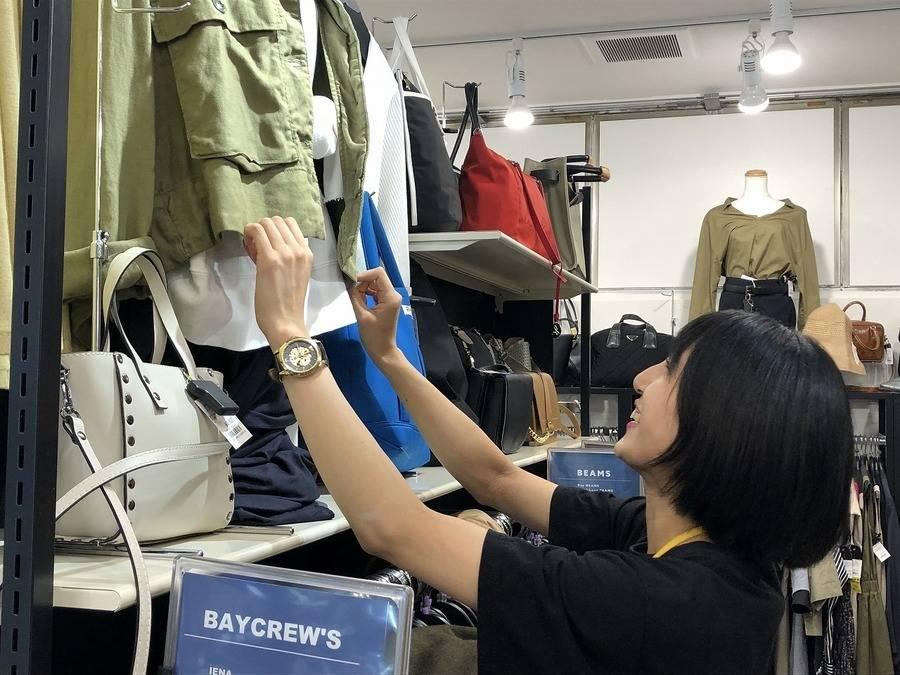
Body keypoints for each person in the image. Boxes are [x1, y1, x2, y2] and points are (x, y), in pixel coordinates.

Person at [244, 216, 854, 674]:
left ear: (723, 422)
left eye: (671, 371)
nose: (642, 378)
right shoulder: (688, 543)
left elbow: (392, 530)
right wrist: (391, 359)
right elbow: (496, 478)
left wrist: (291, 337)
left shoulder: (665, 602)